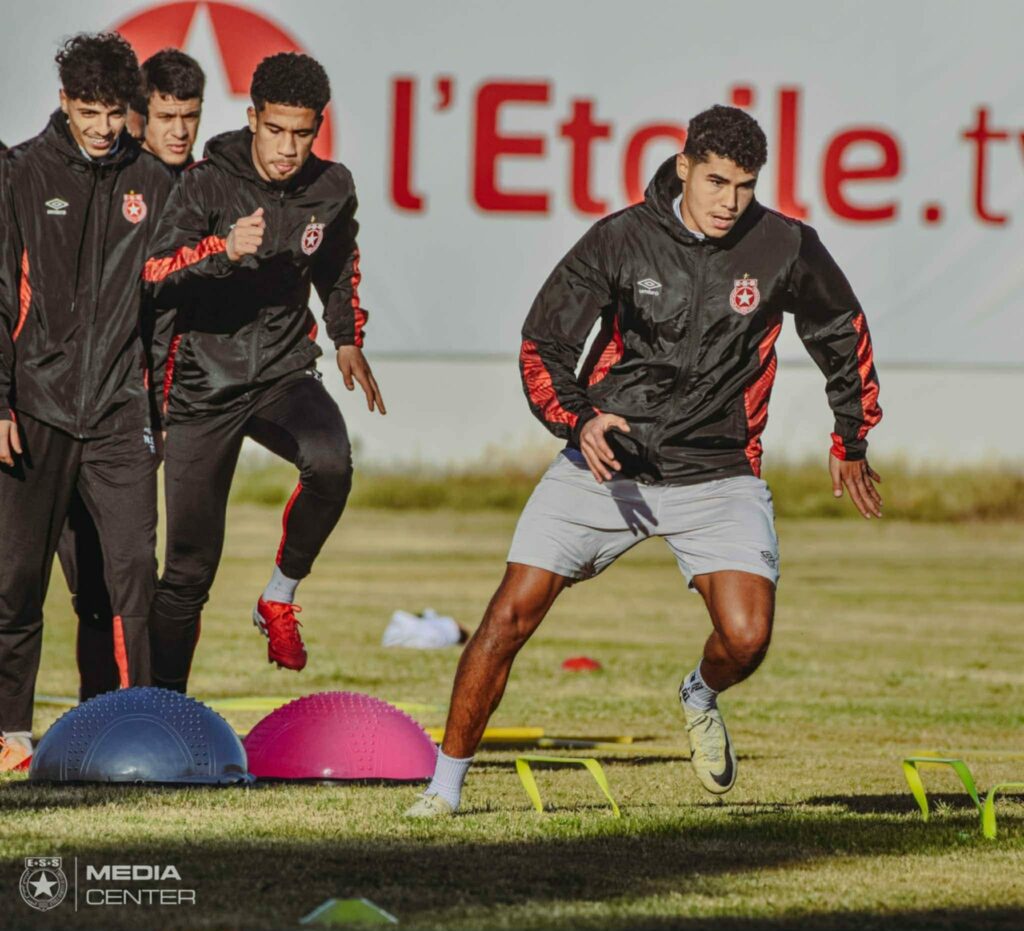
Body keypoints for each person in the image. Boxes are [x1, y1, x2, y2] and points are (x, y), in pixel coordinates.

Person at [407, 105, 883, 817]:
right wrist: (579, 419)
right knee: (506, 618)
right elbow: (543, 344)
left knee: (747, 639)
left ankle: (699, 692)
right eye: (716, 181)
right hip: (607, 463)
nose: (729, 201)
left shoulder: (783, 245)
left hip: (718, 471)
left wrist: (851, 435)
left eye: (745, 186)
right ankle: (443, 789)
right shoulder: (621, 238)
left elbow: (841, 328)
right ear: (684, 167)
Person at [144, 52, 385, 692]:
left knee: (331, 462)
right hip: (203, 386)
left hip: (282, 373)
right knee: (189, 569)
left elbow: (337, 261)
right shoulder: (205, 183)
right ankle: (163, 709)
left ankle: (278, 596)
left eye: (301, 133)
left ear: (318, 128)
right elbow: (156, 273)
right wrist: (222, 252)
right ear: (252, 118)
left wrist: (346, 338)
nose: (287, 148)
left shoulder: (332, 187)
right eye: (275, 130)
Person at [0, 33, 175, 771]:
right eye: (89, 112)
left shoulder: (153, 180)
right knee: (15, 581)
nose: (104, 128)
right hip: (32, 410)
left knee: (133, 569)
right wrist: (1, 402)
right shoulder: (20, 172)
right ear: (65, 102)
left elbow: (167, 309)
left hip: (118, 413)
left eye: (114, 113)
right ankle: (10, 733)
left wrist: (161, 410)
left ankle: (135, 726)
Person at [61, 47, 206, 704]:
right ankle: (95, 715)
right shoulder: (96, 179)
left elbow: (176, 320)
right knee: (87, 580)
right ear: (140, 115)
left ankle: (151, 712)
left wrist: (166, 411)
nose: (179, 130)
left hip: (148, 412)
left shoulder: (202, 188)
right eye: (164, 116)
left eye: (189, 117)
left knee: (154, 575)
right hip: (66, 406)